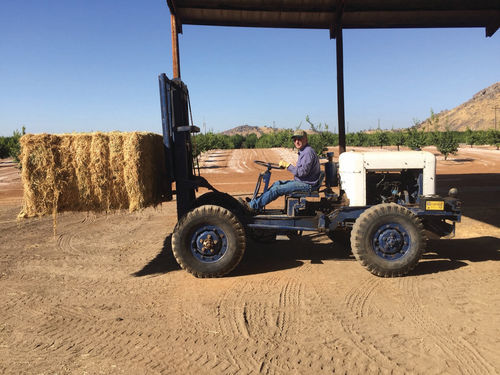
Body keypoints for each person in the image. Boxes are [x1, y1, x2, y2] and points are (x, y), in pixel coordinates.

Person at [248, 130, 321, 211]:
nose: (297, 142)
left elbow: (301, 172)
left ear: (306, 140)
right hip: (303, 181)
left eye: (299, 139)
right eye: (295, 140)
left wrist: (288, 166)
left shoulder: (307, 152)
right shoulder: (303, 151)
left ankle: (253, 206)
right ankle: (256, 202)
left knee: (277, 189)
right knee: (277, 183)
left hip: (307, 184)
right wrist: (286, 165)